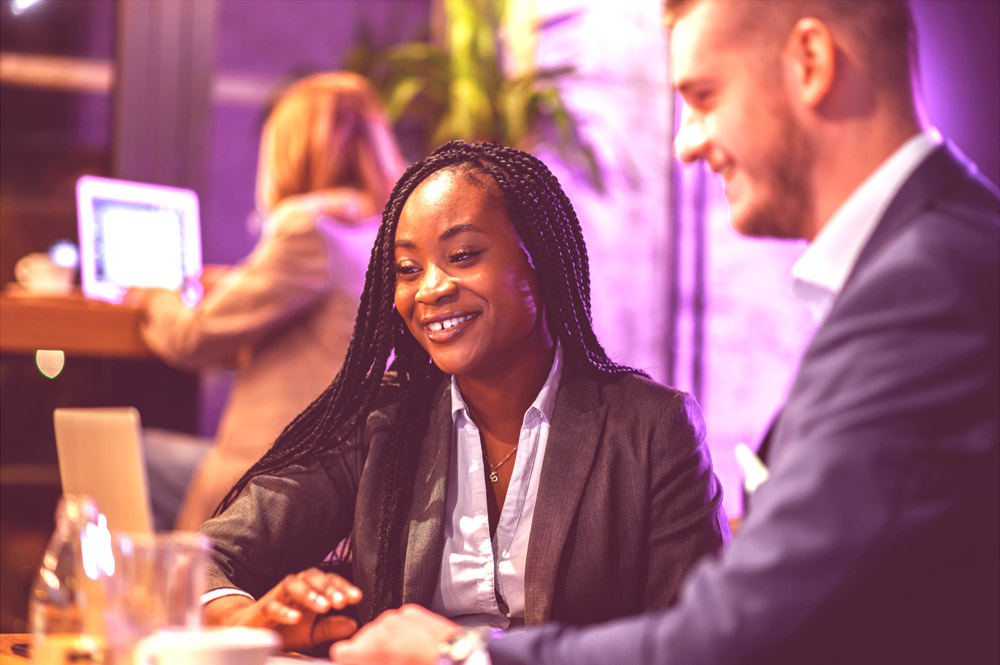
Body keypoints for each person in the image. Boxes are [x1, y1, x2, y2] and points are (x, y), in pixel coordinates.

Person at [330, 1, 1000, 664]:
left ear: (811, 62)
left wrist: (460, 653)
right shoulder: (939, 259)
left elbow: (741, 633)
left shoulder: (927, 288)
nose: (687, 143)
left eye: (704, 96)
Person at [197, 140, 731, 653]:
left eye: (463, 254)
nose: (430, 288)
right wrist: (252, 619)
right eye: (408, 269)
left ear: (537, 262)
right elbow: (207, 560)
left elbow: (696, 643)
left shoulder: (652, 429)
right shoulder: (381, 418)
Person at [128, 71, 406, 530]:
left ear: (291, 150)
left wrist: (154, 295)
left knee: (129, 452)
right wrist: (237, 282)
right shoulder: (378, 231)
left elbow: (191, 338)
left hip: (271, 479)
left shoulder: (309, 230)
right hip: (339, 475)